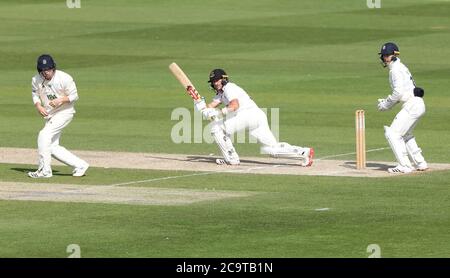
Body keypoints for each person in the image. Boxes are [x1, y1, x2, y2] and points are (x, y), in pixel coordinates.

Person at [194, 68, 314, 166]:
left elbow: (235, 105)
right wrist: (199, 104)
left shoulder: (230, 88)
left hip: (247, 115)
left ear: (224, 79)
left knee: (217, 129)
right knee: (271, 149)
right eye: (213, 81)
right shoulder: (221, 93)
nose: (215, 83)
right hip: (257, 117)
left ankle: (231, 159)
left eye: (217, 80)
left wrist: (220, 113)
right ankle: (304, 152)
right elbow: (209, 107)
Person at [27, 54, 89, 178]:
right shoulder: (36, 80)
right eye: (43, 70)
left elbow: (74, 96)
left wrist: (60, 100)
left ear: (53, 68)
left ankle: (44, 171)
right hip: (51, 114)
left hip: (65, 112)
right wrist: (39, 106)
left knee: (43, 136)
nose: (46, 73)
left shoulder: (65, 78)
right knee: (52, 147)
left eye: (49, 70)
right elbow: (35, 94)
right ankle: (80, 165)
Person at [377, 42, 428, 173]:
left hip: (412, 105)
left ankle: (404, 166)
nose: (384, 58)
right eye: (383, 56)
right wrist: (387, 101)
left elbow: (398, 93)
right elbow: (401, 93)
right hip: (416, 104)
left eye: (387, 56)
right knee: (405, 134)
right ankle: (420, 162)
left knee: (392, 133)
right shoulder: (400, 66)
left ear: (394, 55)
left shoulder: (395, 70)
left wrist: (386, 104)